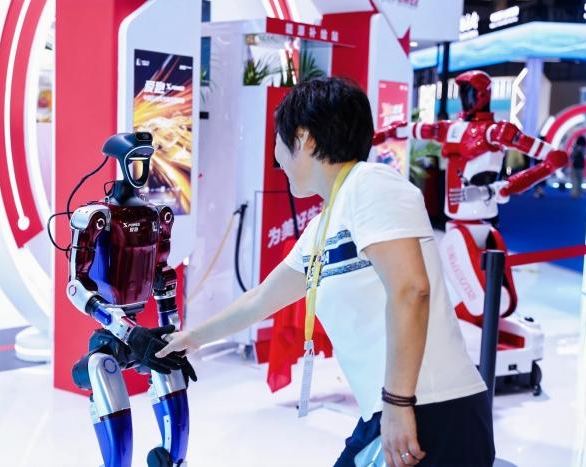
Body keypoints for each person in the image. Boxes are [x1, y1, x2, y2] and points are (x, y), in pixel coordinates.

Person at [156, 77, 495, 466]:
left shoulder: (370, 184)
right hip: (394, 409)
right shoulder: (324, 225)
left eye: (279, 142)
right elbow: (262, 299)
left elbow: (410, 290)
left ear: (304, 138)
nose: (277, 159)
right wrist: (192, 338)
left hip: (433, 408)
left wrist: (398, 402)